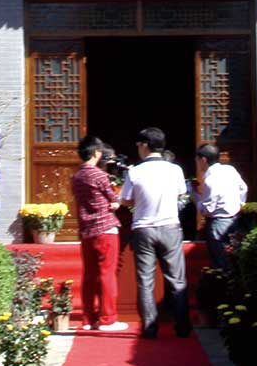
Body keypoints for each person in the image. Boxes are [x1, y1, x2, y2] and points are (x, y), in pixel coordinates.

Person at [124, 126, 192, 338]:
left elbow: (126, 199)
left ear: (145, 145)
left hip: (144, 228)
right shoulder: (175, 170)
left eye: (139, 145)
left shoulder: (134, 171)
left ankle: (149, 327)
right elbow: (181, 194)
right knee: (176, 279)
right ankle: (182, 325)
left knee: (145, 280)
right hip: (170, 226)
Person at [71, 135, 130, 332]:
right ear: (96, 153)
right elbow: (114, 200)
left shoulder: (76, 176)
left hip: (86, 230)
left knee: (89, 274)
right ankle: (107, 318)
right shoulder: (99, 176)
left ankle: (88, 318)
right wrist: (115, 203)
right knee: (107, 274)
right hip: (105, 229)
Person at [194, 143, 248, 271]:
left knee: (220, 263)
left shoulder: (210, 180)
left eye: (197, 159)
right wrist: (240, 204)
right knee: (233, 258)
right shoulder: (230, 170)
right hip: (234, 220)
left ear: (203, 160)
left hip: (217, 224)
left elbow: (207, 210)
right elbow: (244, 188)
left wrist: (195, 197)